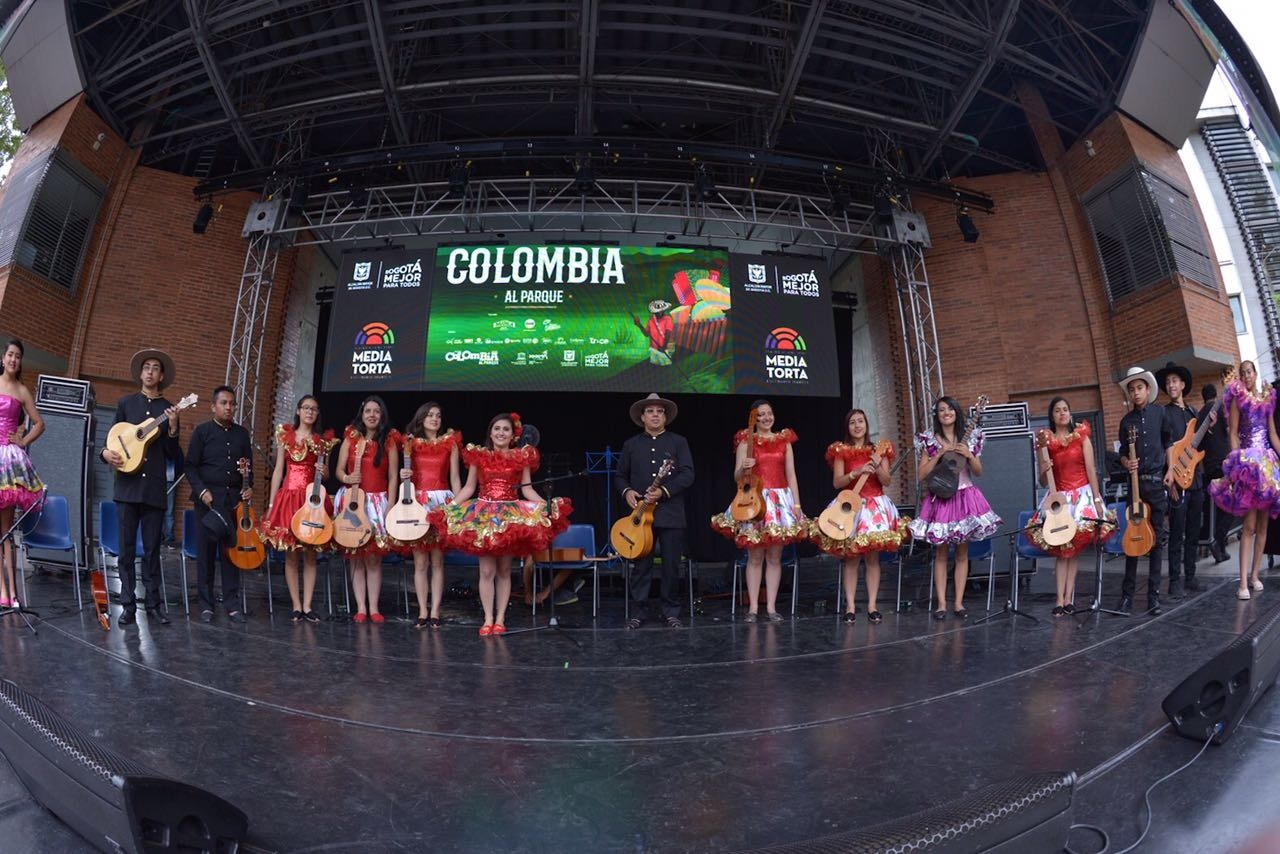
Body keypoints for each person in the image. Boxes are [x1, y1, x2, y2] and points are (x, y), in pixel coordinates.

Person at [440, 412, 571, 636]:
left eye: (506, 429)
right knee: (487, 570)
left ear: (513, 435)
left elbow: (527, 489)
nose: (501, 433)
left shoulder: (521, 457)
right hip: (483, 515)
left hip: (510, 515)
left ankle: (500, 618)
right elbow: (469, 487)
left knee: (503, 570)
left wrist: (547, 505)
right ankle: (488, 618)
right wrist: (450, 506)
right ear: (490, 432)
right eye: (497, 428)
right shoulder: (479, 455)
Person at [100, 348, 183, 628]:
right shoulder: (126, 403)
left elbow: (173, 454)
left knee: (151, 552)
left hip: (153, 492)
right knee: (125, 550)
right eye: (146, 367)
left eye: (155, 368)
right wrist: (104, 455)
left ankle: (154, 606)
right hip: (126, 489)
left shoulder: (169, 409)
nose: (150, 371)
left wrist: (172, 428)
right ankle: (127, 607)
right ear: (140, 373)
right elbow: (111, 440)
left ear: (161, 376)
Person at [711, 400, 808, 622]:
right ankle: (753, 608)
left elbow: (791, 474)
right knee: (754, 556)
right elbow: (736, 477)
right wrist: (744, 467)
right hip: (754, 500)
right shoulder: (747, 441)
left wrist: (797, 505)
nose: (766, 418)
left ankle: (772, 607)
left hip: (780, 500)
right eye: (761, 414)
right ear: (754, 418)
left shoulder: (784, 441)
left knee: (775, 556)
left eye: (769, 414)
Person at [812, 408, 909, 624]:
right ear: (848, 427)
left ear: (867, 424)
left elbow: (887, 481)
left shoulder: (879, 449)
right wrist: (855, 473)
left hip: (875, 507)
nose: (857, 426)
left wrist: (876, 468)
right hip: (851, 507)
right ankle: (850, 606)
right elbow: (837, 482)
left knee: (873, 558)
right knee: (852, 558)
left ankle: (873, 605)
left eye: (861, 421)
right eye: (853, 422)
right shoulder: (841, 450)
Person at [908, 396, 1001, 621]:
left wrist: (969, 455)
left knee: (962, 553)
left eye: (950, 408)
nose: (946, 412)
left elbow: (978, 471)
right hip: (941, 498)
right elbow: (921, 475)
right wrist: (938, 455)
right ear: (937, 415)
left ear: (957, 412)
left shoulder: (970, 438)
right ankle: (941, 604)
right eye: (941, 410)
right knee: (940, 553)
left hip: (966, 497)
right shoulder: (929, 440)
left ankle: (958, 603)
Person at [1027, 399, 1116, 616]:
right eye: (1057, 410)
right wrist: (1044, 469)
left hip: (1082, 496)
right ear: (1052, 415)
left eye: (1065, 409)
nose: (1062, 413)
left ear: (1070, 412)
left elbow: (1091, 470)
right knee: (1061, 552)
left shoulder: (1081, 437)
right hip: (1059, 498)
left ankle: (1069, 599)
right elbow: (1042, 482)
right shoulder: (1045, 442)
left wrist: (1096, 500)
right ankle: (1059, 599)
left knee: (1073, 552)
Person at [616, 393, 695, 629]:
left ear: (665, 417)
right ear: (642, 417)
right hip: (640, 517)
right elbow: (620, 476)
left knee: (671, 565)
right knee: (641, 566)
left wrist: (664, 492)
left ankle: (671, 611)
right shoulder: (631, 445)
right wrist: (627, 491)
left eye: (659, 411)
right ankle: (638, 611)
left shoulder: (678, 442)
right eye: (650, 411)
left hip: (670, 514)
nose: (655, 415)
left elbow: (688, 474)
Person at [258, 395, 335, 623]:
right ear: (299, 411)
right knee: (291, 556)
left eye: (314, 409)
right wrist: (272, 504)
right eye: (306, 408)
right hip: (289, 498)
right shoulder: (286, 436)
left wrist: (323, 470)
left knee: (311, 555)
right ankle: (296, 605)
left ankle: (308, 605)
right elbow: (279, 470)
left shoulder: (322, 442)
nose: (310, 412)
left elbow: (328, 475)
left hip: (312, 501)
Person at [1208, 360, 1280, 601]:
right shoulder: (1239, 399)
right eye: (1243, 373)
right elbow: (1232, 433)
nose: (1247, 376)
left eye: (1249, 372)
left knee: (1263, 527)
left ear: (1256, 374)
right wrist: (1237, 460)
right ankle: (1242, 581)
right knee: (1248, 527)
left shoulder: (1268, 399)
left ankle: (1255, 575)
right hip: (1249, 467)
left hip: (1268, 466)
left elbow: (1272, 434)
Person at [185, 386, 254, 624]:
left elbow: (249, 468)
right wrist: (201, 490)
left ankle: (232, 603)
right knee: (205, 555)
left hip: (233, 503)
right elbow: (190, 466)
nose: (228, 407)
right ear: (213, 406)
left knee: (230, 554)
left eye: (232, 403)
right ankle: (206, 604)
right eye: (224, 403)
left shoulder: (242, 435)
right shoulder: (202, 432)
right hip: (207, 503)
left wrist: (248, 486)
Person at [334, 396, 399, 623]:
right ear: (361, 415)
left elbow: (393, 477)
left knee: (373, 558)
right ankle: (360, 607)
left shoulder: (389, 441)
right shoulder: (350, 440)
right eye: (368, 411)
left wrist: (391, 504)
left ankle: (374, 607)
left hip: (378, 502)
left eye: (376, 411)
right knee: (356, 557)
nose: (372, 415)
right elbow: (339, 471)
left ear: (382, 416)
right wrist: (347, 477)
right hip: (354, 500)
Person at [397, 402, 461, 630]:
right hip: (418, 502)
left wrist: (455, 506)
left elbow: (455, 478)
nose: (435, 418)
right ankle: (422, 611)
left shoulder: (450, 443)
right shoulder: (410, 443)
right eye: (430, 415)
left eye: (438, 415)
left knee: (437, 561)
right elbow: (406, 477)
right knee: (420, 562)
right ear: (421, 418)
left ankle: (435, 611)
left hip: (442, 502)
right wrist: (404, 475)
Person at [1116, 366, 1174, 616]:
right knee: (1132, 541)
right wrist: (1125, 462)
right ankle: (1127, 597)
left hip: (1156, 483)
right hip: (1135, 487)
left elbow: (1168, 443)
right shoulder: (1126, 421)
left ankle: (1153, 597)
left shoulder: (1160, 413)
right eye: (1132, 389)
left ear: (1147, 390)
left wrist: (1170, 470)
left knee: (1157, 541)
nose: (1136, 393)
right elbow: (1120, 453)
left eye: (1139, 388)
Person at [1155, 362, 1206, 600]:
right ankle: (1174, 581)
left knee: (1194, 530)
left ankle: (1191, 576)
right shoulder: (1164, 414)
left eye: (1175, 381)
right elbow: (1162, 448)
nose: (1171, 385)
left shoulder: (1194, 413)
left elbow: (1198, 448)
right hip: (1176, 481)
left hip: (1195, 479)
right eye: (1168, 382)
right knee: (1176, 532)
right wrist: (1171, 481)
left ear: (1183, 385)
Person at [0, 340, 44, 609]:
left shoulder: (22, 390)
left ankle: (12, 593)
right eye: (10, 355)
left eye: (18, 356)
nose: (14, 359)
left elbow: (40, 423)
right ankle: (2, 589)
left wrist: (23, 440)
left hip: (8, 461)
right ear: (3, 358)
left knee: (6, 530)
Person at [1201, 383, 1233, 567]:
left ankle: (1217, 546)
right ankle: (1218, 541)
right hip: (1223, 465)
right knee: (1229, 506)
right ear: (1214, 395)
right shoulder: (1221, 409)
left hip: (1207, 467)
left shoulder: (1200, 413)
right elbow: (1230, 433)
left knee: (1210, 509)